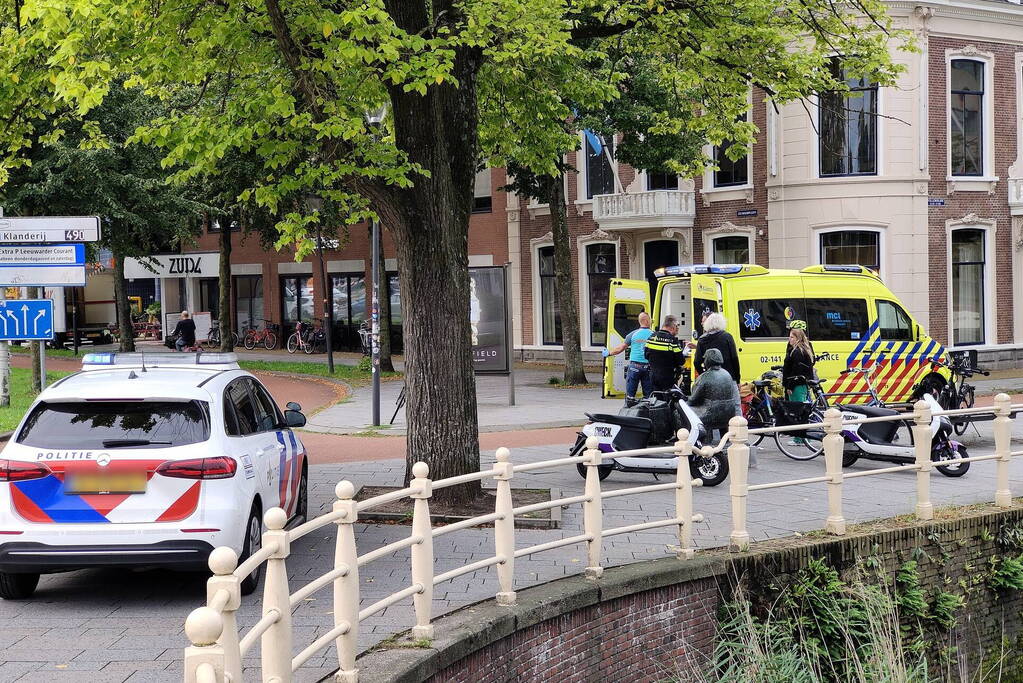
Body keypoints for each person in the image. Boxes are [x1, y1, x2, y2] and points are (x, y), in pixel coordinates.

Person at [687, 347, 741, 439]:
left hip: (711, 413)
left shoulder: (705, 377)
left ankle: (697, 440)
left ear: (708, 360)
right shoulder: (727, 374)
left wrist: (686, 402)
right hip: (728, 412)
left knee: (683, 412)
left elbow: (693, 400)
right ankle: (725, 440)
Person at [605, 311, 654, 404]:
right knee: (648, 396)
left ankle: (629, 409)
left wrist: (609, 353)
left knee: (630, 395)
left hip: (634, 367)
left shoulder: (632, 334)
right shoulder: (654, 335)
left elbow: (620, 348)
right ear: (647, 321)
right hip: (648, 367)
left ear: (640, 321)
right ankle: (647, 413)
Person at [694, 312, 741, 383]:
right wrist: (737, 380)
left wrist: (704, 374)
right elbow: (734, 359)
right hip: (729, 378)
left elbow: (697, 362)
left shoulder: (702, 340)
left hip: (711, 379)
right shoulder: (727, 337)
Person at [645, 315, 685, 392]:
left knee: (657, 400)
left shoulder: (651, 337)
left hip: (653, 376)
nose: (677, 331)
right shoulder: (672, 341)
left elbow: (646, 355)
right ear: (673, 327)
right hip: (667, 377)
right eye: (677, 328)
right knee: (668, 400)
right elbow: (681, 361)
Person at [782, 320, 815, 402]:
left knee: (797, 409)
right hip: (800, 385)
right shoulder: (801, 348)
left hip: (796, 386)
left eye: (792, 337)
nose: (789, 339)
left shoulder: (798, 352)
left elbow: (797, 372)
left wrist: (790, 386)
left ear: (798, 338)